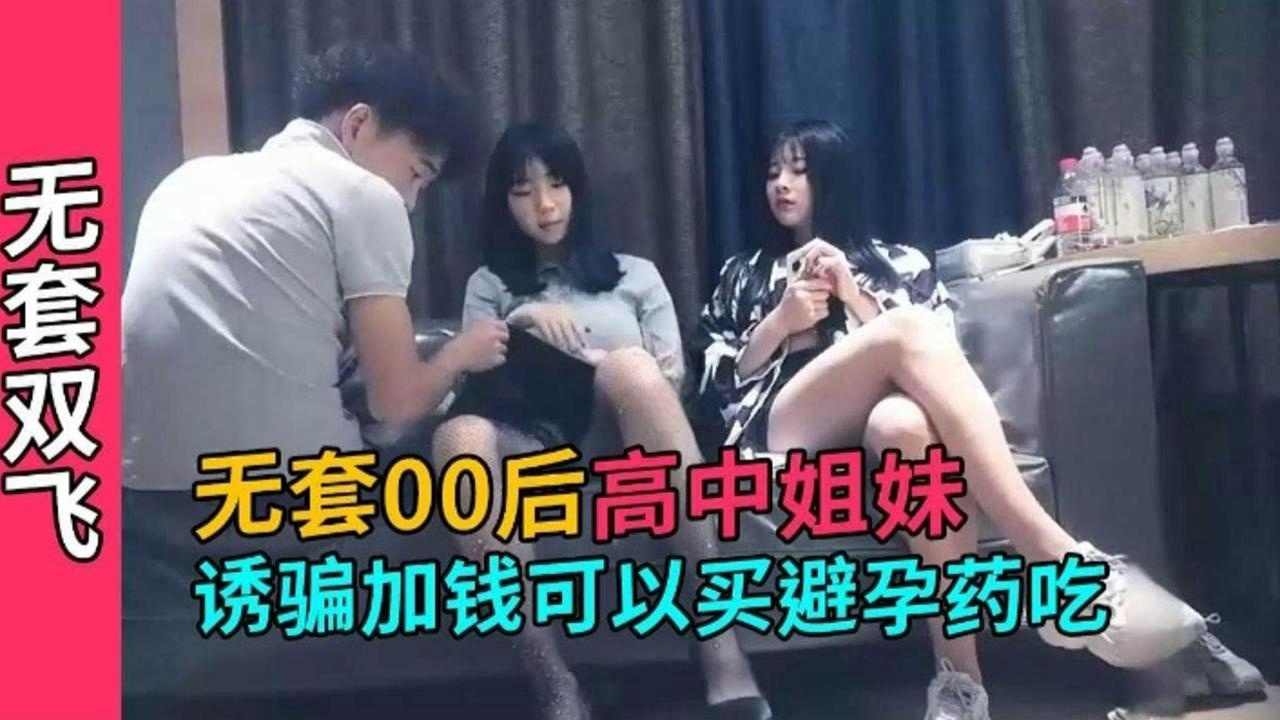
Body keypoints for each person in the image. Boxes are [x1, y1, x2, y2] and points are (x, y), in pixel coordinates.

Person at [693, 119, 1210, 720]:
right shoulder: (745, 272)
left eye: (799, 171)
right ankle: (1060, 562)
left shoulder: (899, 264)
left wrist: (855, 297)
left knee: (905, 427)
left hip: (883, 427)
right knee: (909, 329)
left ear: (833, 179)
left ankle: (960, 686)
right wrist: (779, 323)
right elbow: (712, 385)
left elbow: (944, 364)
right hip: (788, 431)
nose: (781, 184)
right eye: (773, 172)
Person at [432, 123, 773, 720]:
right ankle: (553, 681)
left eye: (556, 184)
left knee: (632, 367)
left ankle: (719, 643)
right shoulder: (488, 285)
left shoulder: (634, 275)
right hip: (530, 444)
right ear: (503, 204)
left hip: (623, 436)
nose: (545, 204)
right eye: (523, 191)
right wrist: (523, 322)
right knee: (457, 436)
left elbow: (671, 380)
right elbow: (471, 382)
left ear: (578, 189)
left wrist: (594, 361)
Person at [123, 43, 508, 495]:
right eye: (416, 173)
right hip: (281, 498)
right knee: (462, 444)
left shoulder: (188, 180)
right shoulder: (365, 194)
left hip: (139, 493)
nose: (410, 200)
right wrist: (460, 354)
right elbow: (396, 402)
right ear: (358, 124)